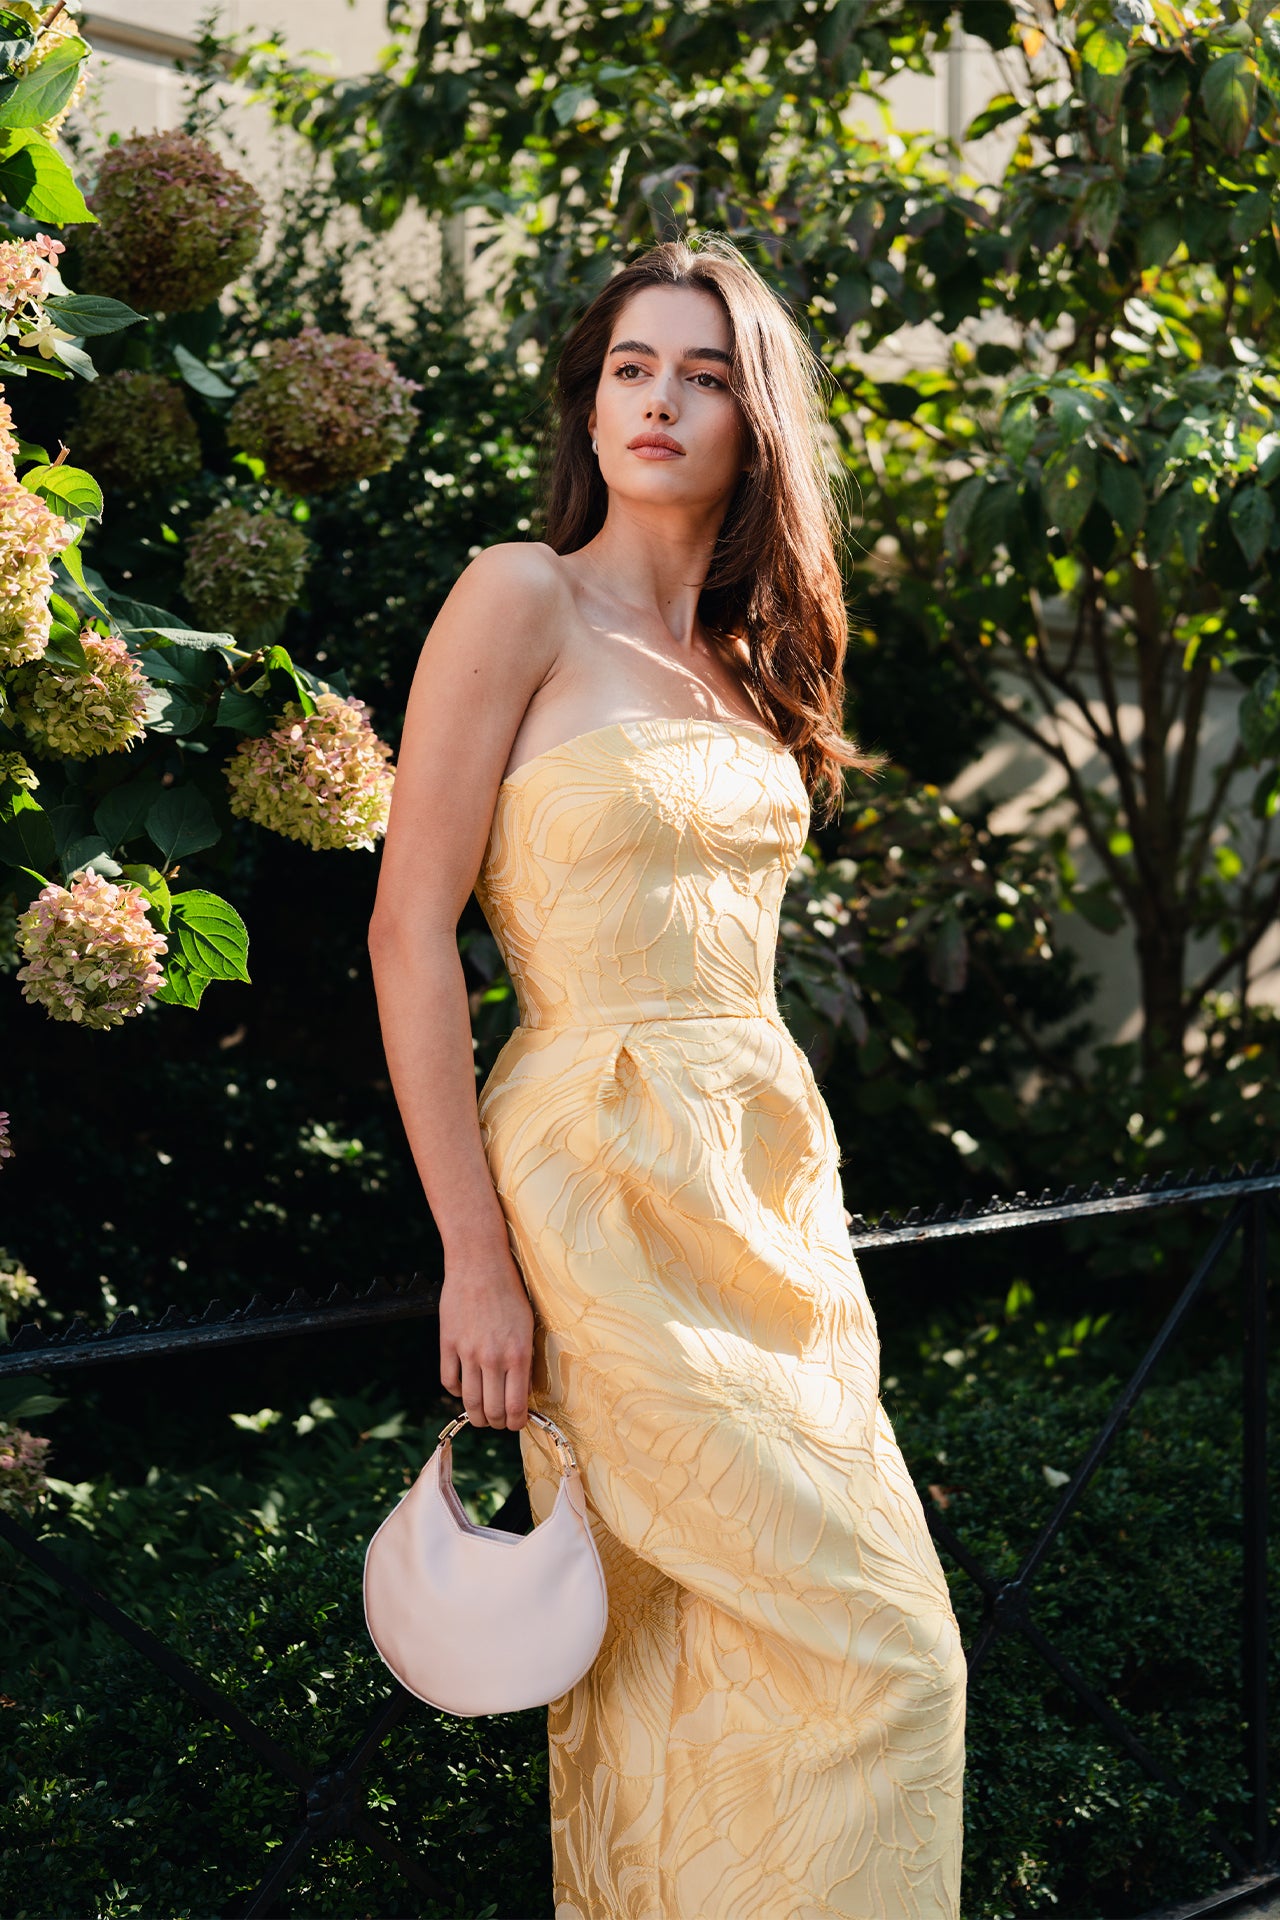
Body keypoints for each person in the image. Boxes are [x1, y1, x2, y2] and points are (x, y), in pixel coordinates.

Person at [367, 234, 966, 1920]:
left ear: (754, 418)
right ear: (591, 397)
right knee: (885, 1650)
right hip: (596, 1177)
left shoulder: (752, 663)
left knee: (702, 1654)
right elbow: (410, 936)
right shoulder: (518, 595)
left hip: (767, 1190)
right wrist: (473, 1255)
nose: (662, 399)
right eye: (634, 365)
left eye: (706, 373)